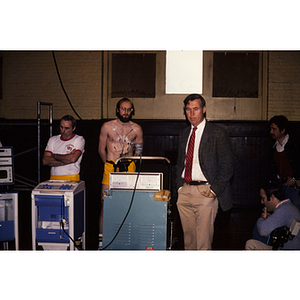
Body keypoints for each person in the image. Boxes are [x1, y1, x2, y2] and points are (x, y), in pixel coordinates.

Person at [175, 93, 234, 250]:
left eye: (196, 109)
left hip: (206, 192)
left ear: (204, 109)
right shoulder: (184, 134)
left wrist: (214, 190)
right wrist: (179, 187)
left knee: (203, 244)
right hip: (185, 191)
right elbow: (179, 163)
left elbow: (227, 165)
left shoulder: (217, 133)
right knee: (189, 244)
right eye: (188, 109)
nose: (191, 113)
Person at [98, 98, 143, 239]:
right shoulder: (107, 126)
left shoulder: (137, 129)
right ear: (118, 110)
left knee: (128, 205)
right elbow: (101, 149)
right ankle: (101, 240)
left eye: (129, 109)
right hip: (111, 167)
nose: (126, 112)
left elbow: (139, 151)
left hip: (129, 166)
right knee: (105, 204)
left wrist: (132, 163)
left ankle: (126, 239)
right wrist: (109, 164)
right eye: (123, 108)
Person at [245, 182, 300, 250]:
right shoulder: (287, 206)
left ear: (272, 197)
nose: (262, 202)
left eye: (263, 198)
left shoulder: (284, 209)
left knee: (250, 245)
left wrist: (262, 218)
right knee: (251, 244)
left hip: (289, 251)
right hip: (286, 249)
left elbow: (263, 230)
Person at [268, 115, 300, 211]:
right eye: (271, 129)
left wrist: (294, 179)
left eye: (274, 129)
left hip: (295, 187)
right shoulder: (273, 148)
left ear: (283, 130)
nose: (271, 132)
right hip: (280, 187)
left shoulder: (294, 145)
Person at [43, 115, 85, 181]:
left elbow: (73, 158)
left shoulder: (79, 139)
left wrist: (54, 155)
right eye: (61, 127)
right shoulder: (53, 139)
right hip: (53, 178)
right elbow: (45, 161)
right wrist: (66, 160)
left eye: (67, 128)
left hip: (71, 177)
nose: (63, 130)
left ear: (73, 128)